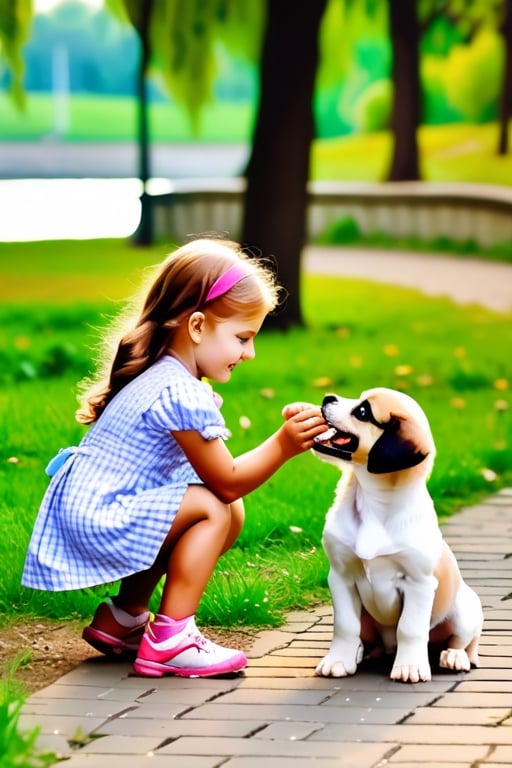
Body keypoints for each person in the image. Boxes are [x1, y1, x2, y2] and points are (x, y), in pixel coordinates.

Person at [22, 236, 326, 679]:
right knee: (212, 507)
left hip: (91, 508)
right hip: (100, 516)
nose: (250, 352)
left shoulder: (162, 372)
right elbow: (226, 480)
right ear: (198, 326)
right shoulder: (179, 390)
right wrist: (283, 445)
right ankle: (171, 639)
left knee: (222, 508)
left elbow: (216, 481)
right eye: (242, 337)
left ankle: (124, 619)